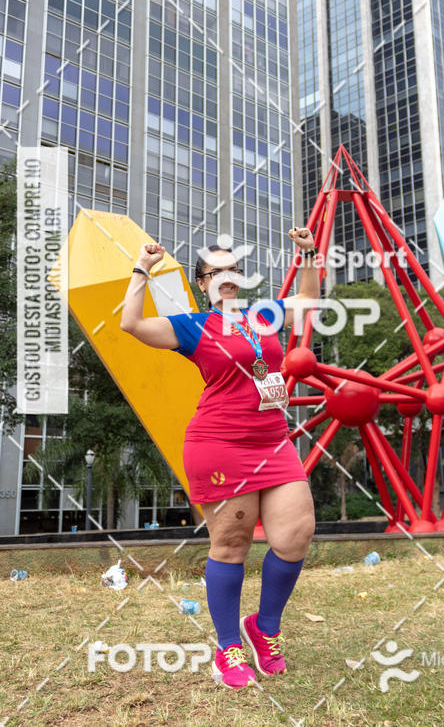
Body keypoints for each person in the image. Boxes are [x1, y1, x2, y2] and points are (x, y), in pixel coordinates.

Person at [120, 227, 320, 688]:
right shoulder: (193, 326)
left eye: (233, 270)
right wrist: (142, 269)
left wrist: (309, 254)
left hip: (273, 442)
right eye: (216, 272)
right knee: (231, 545)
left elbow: (309, 298)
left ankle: (264, 629)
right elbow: (132, 324)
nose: (227, 277)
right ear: (202, 283)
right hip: (219, 444)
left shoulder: (263, 315)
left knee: (295, 535)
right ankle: (228, 648)